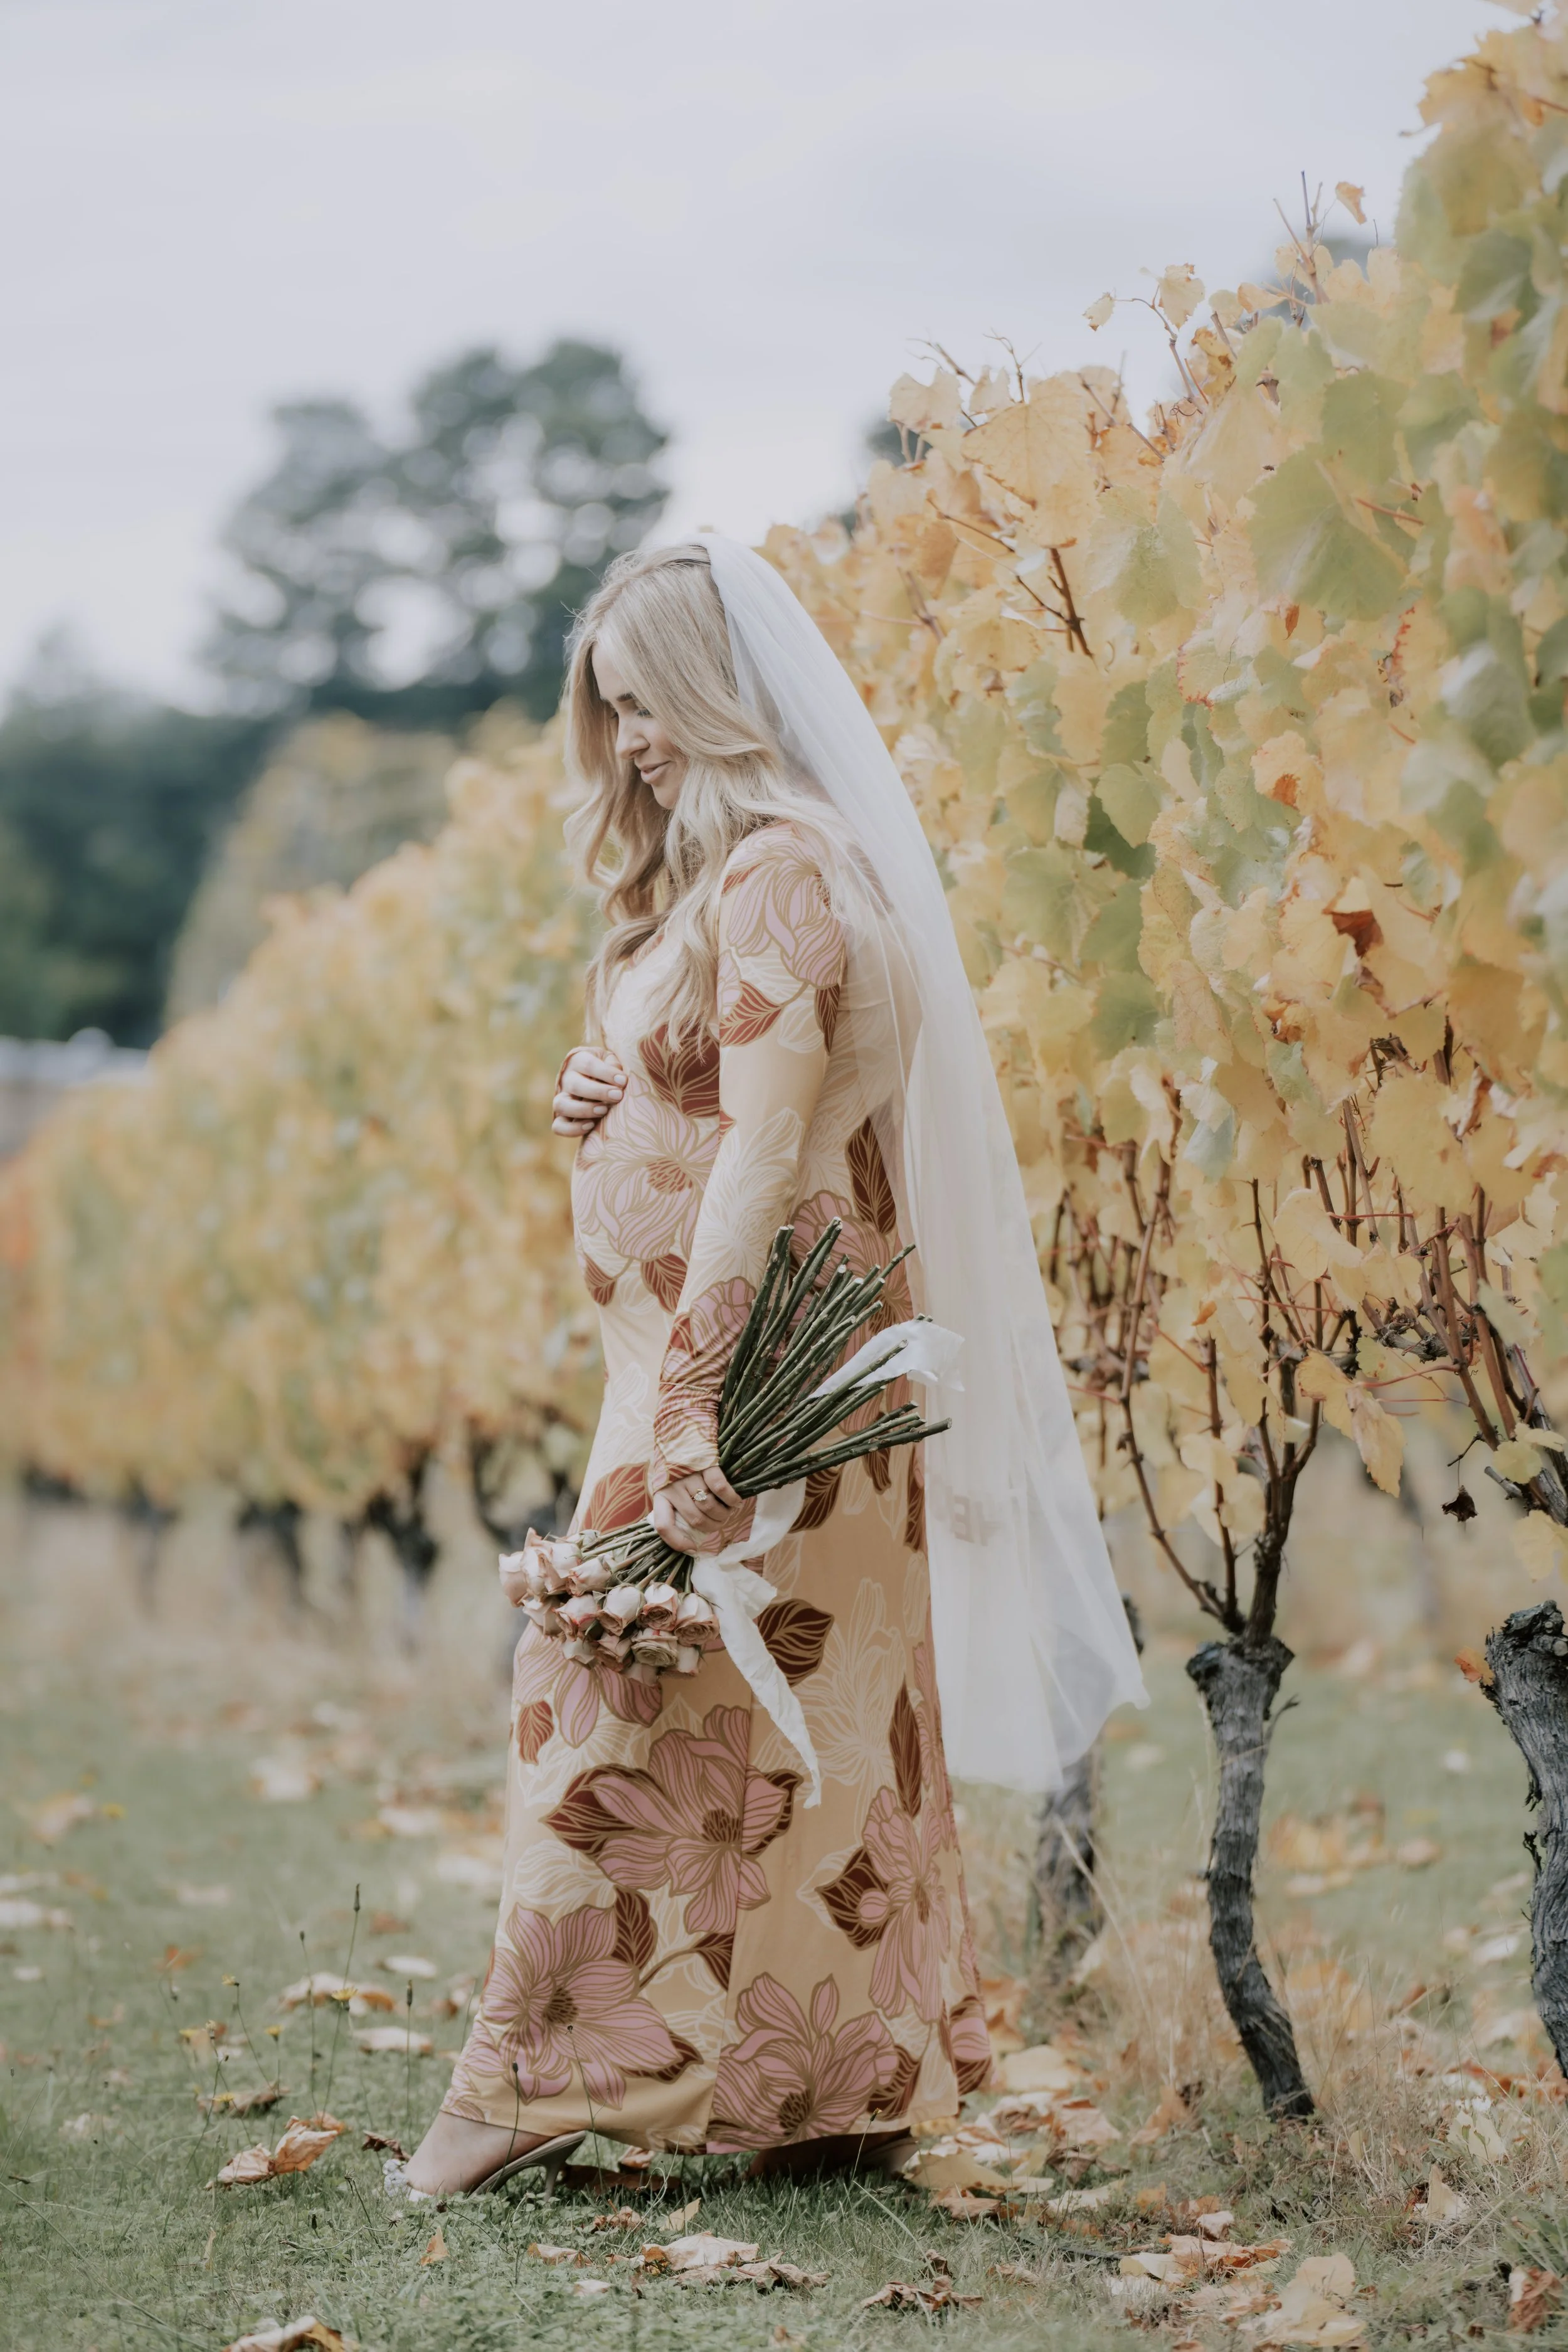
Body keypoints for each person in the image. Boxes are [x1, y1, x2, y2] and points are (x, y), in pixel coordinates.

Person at [403, 538, 1143, 2197]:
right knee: (807, 1716)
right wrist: (601, 1097)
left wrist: (690, 1398)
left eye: (644, 705)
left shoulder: (782, 873)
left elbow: (762, 1153)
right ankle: (836, 2085)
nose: (633, 742)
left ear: (710, 688)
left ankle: (519, 2079)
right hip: (769, 1367)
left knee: (597, 1686)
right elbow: (724, 1102)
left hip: (757, 1383)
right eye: (610, 715)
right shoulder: (751, 875)